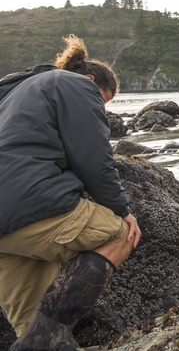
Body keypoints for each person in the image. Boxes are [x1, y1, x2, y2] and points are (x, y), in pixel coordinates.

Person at [0, 35, 141, 350]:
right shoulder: (76, 85)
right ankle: (49, 331)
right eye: (102, 102)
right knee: (119, 235)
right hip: (29, 203)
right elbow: (94, 160)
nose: (100, 110)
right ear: (91, 81)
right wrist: (122, 211)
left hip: (5, 230)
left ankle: (41, 340)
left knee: (29, 327)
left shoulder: (13, 92)